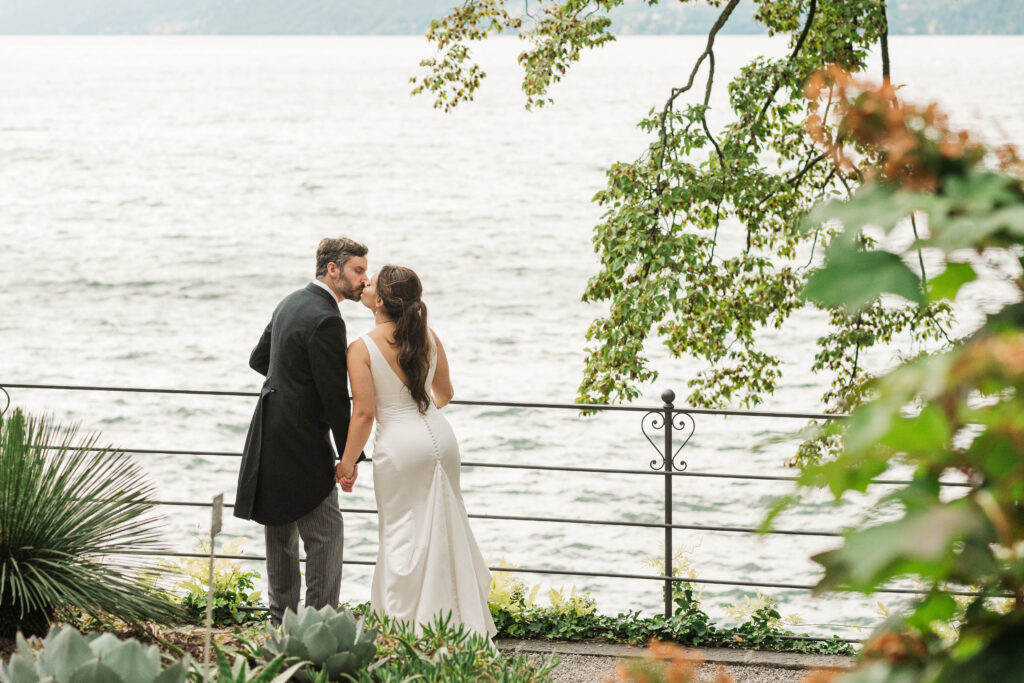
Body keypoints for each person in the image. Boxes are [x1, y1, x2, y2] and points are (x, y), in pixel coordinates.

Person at [335, 265, 496, 637]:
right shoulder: (428, 336)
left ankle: (405, 629)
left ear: (381, 300)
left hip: (399, 447)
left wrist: (346, 464)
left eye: (371, 282)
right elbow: (445, 394)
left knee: (401, 536)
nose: (365, 283)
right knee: (444, 528)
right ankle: (453, 626)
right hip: (441, 437)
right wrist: (418, 413)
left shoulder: (361, 347)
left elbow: (364, 414)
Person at [234, 237, 368, 624]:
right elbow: (334, 399)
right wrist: (349, 458)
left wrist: (291, 385)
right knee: (325, 535)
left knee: (280, 534)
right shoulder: (328, 319)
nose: (364, 279)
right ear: (332, 269)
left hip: (268, 434)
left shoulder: (290, 301)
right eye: (358, 271)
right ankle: (319, 628)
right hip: (303, 443)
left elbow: (260, 359)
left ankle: (280, 627)